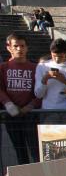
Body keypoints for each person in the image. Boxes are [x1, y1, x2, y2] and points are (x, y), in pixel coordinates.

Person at [0, 33, 40, 164]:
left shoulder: (35, 68)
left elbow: (41, 92)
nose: (19, 49)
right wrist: (9, 104)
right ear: (9, 47)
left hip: (31, 115)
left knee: (36, 152)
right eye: (15, 46)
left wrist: (31, 105)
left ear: (27, 48)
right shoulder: (3, 68)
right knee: (20, 152)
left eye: (22, 46)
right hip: (11, 115)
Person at [34, 38, 66, 123]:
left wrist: (65, 81)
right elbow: (38, 94)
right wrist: (45, 79)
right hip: (48, 110)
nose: (57, 59)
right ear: (50, 52)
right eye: (54, 56)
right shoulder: (42, 66)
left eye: (60, 56)